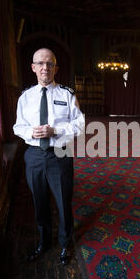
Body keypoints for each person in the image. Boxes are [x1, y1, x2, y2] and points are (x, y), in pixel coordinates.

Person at [13, 48, 85, 265]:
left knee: (63, 202)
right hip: (34, 155)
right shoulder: (25, 97)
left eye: (50, 64)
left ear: (56, 68)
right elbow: (18, 126)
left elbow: (79, 125)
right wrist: (30, 133)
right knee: (39, 201)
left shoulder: (67, 94)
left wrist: (55, 131)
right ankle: (44, 242)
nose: (45, 67)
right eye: (41, 63)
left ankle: (65, 244)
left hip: (60, 155)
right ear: (33, 68)